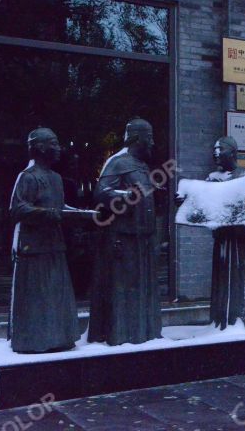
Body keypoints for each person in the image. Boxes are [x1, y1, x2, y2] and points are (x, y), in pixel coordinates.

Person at [175, 136, 245, 332]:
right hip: (224, 238)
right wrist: (185, 203)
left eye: (221, 149)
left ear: (233, 153)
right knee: (224, 279)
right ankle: (224, 321)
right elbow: (202, 205)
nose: (216, 153)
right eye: (215, 150)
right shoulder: (212, 179)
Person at [89, 118, 162, 345]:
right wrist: (124, 197)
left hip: (143, 239)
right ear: (137, 138)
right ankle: (122, 335)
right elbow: (101, 193)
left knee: (142, 289)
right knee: (124, 289)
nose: (152, 142)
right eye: (149, 137)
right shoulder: (118, 162)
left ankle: (143, 333)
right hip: (124, 238)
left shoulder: (143, 165)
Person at [9, 128, 80, 353]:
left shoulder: (56, 178)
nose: (59, 149)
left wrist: (80, 214)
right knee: (36, 298)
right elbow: (17, 208)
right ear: (39, 147)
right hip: (33, 247)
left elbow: (59, 208)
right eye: (54, 143)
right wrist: (47, 214)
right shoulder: (28, 176)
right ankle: (34, 341)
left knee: (56, 295)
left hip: (54, 244)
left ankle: (59, 338)